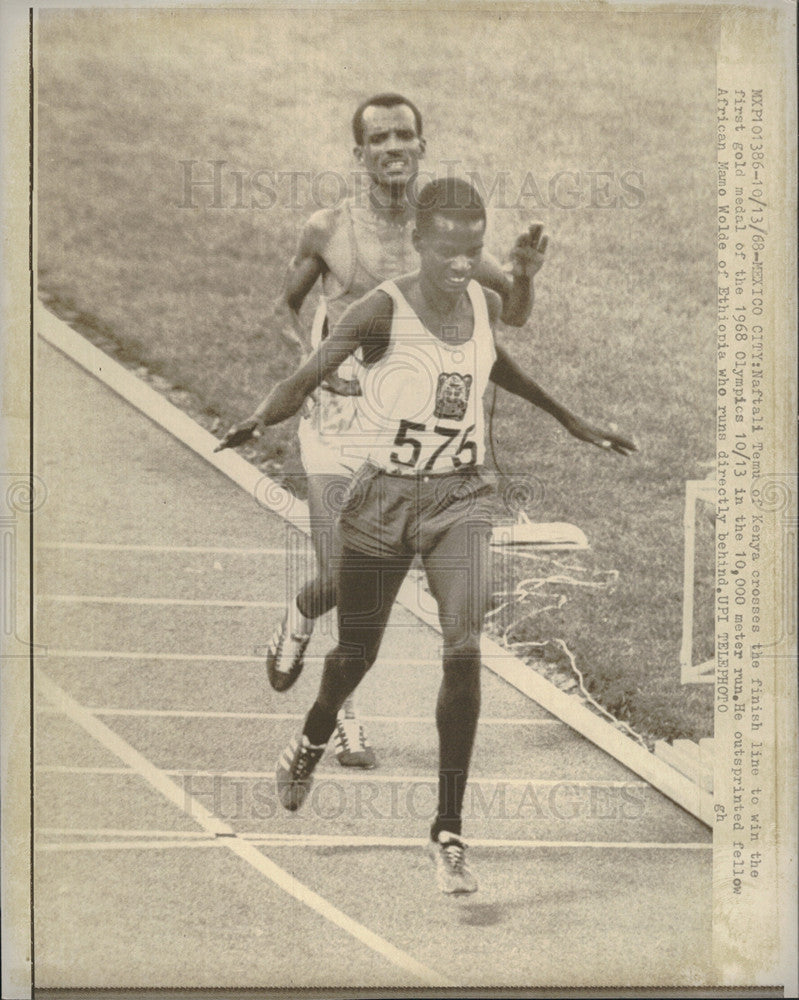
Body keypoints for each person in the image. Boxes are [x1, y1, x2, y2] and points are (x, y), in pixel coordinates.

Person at [217, 177, 637, 893]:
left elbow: (493, 362)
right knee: (355, 655)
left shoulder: (475, 297)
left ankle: (447, 830)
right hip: (383, 500)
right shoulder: (381, 310)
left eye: (474, 250)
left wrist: (571, 419)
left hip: (460, 499)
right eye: (449, 251)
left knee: (463, 644)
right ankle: (314, 733)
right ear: (418, 241)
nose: (464, 265)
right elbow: (307, 374)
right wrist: (262, 416)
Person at [260, 92, 547, 768]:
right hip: (341, 423)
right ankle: (342, 718)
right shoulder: (328, 229)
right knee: (346, 572)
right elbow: (285, 304)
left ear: (422, 146)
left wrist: (526, 277)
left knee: (354, 585)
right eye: (378, 139)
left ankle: (302, 612)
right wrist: (313, 368)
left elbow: (514, 313)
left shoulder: (443, 231)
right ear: (357, 154)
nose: (392, 148)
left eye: (404, 137)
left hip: (416, 437)